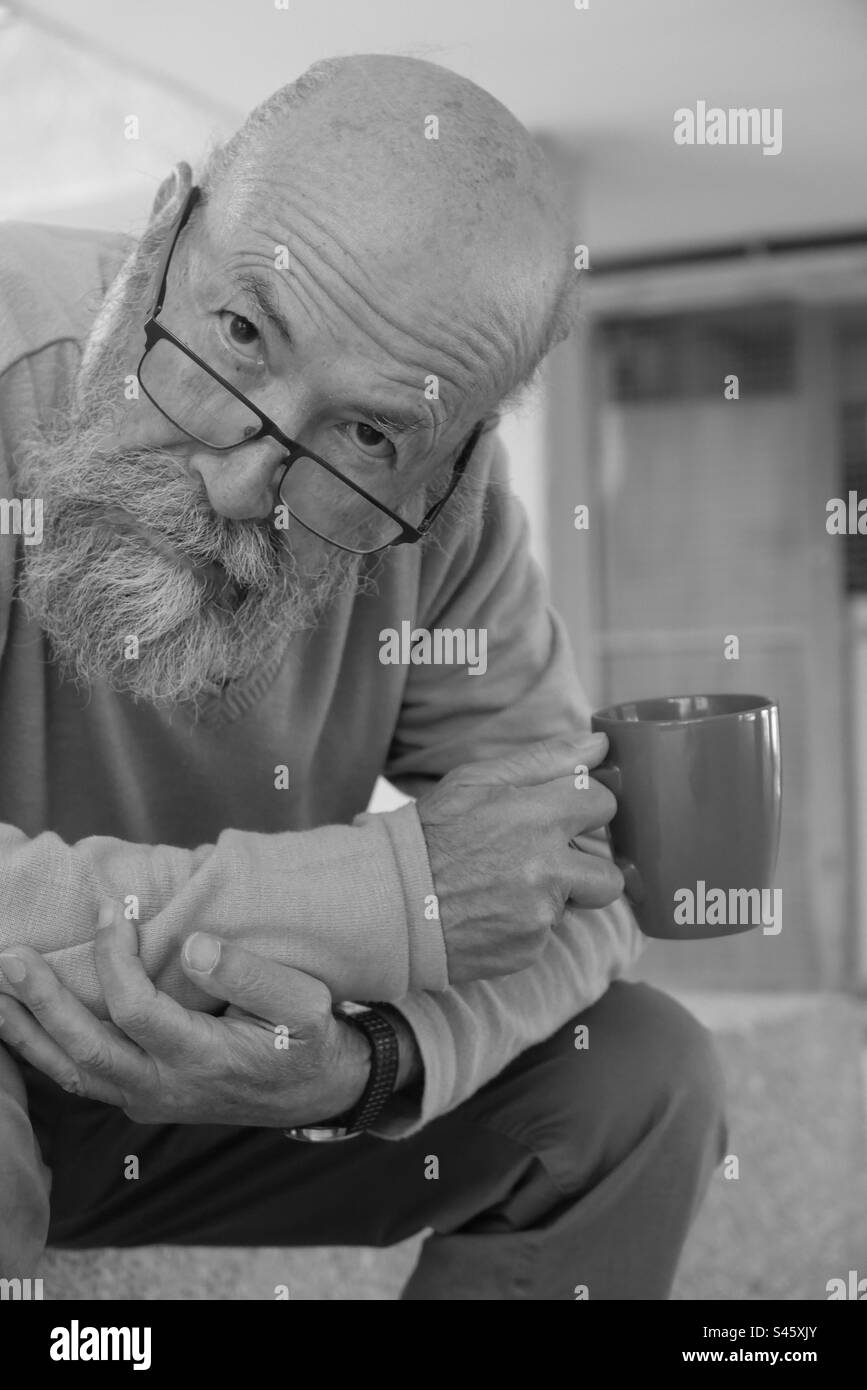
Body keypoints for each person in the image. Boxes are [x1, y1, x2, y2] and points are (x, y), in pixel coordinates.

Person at [0, 54, 725, 1300]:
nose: (239, 484)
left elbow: (583, 885)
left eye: (368, 436)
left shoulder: (450, 527)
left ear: (447, 466)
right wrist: (395, 894)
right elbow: (438, 892)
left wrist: (371, 1061)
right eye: (239, 334)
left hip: (218, 1077)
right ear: (168, 227)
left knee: (641, 1076)